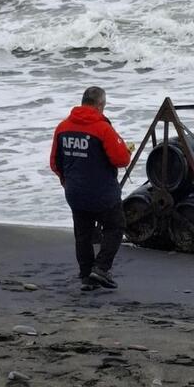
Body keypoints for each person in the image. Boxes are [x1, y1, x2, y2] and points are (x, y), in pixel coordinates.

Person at [50, 86, 131, 290]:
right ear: (100, 105)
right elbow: (121, 159)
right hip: (102, 192)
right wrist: (127, 149)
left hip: (75, 192)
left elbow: (55, 162)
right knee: (115, 227)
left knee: (83, 234)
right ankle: (101, 268)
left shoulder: (63, 127)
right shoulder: (102, 128)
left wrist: (65, 180)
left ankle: (87, 274)